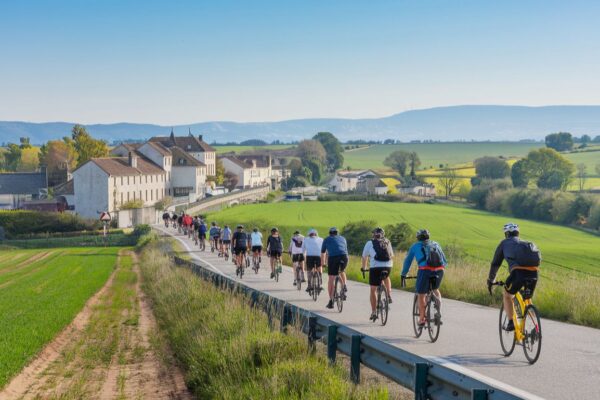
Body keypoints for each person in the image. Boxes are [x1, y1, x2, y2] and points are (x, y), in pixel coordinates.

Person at [487, 223, 540, 332]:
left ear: (506, 234)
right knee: (527, 299)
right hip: (534, 274)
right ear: (518, 233)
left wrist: (491, 280)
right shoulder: (525, 244)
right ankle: (536, 327)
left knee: (507, 295)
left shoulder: (504, 243)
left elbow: (495, 263)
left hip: (518, 274)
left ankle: (511, 322)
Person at [401, 229, 447, 327]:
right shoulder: (436, 244)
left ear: (418, 238)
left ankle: (422, 319)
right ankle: (438, 313)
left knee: (421, 294)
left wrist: (404, 274)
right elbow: (444, 260)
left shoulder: (415, 246)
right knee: (435, 290)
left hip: (425, 270)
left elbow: (408, 261)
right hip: (440, 270)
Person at [361, 227, 394, 321]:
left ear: (373, 235)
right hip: (388, 266)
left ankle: (374, 312)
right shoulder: (387, 241)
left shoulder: (369, 243)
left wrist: (364, 268)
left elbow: (364, 257)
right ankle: (388, 295)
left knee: (373, 289)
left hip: (375, 267)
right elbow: (392, 255)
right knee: (386, 277)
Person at [321, 227, 349, 309]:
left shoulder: (327, 239)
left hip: (333, 258)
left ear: (330, 233)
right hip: (344, 257)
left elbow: (323, 252)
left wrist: (323, 263)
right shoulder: (343, 238)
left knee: (331, 278)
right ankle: (344, 286)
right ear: (337, 233)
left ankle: (331, 301)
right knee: (342, 271)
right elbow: (345, 250)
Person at [303, 228, 324, 293]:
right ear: (316, 234)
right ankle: (320, 283)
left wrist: (304, 259)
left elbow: (303, 250)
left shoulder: (305, 239)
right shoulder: (321, 239)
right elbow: (324, 250)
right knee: (319, 267)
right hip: (318, 256)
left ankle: (309, 285)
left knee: (309, 270)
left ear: (309, 234)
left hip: (309, 256)